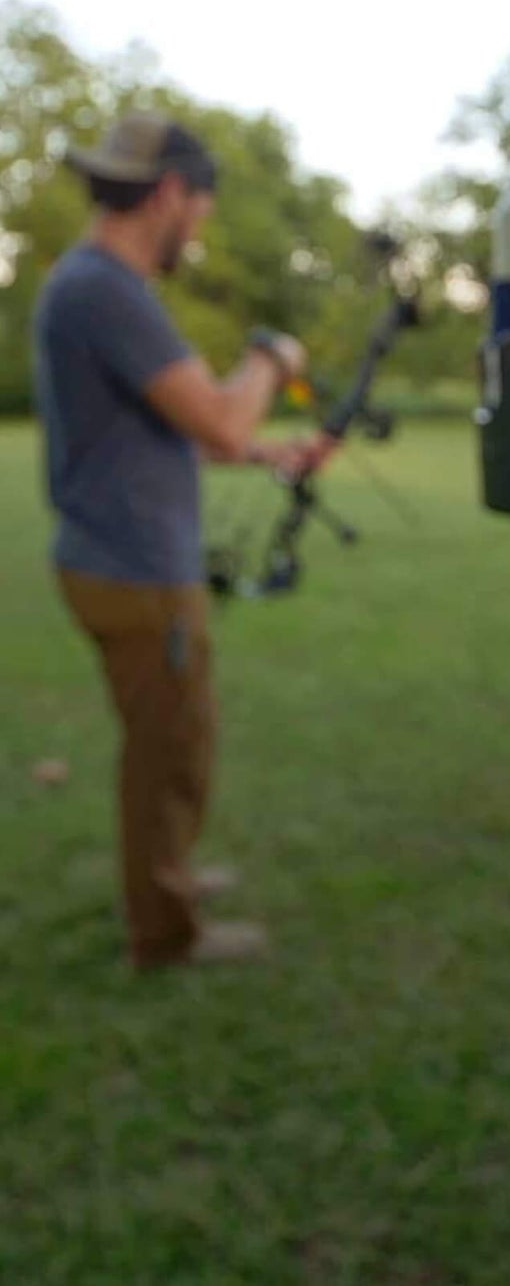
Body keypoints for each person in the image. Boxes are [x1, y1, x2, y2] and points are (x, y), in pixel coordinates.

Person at [31, 111, 332, 969]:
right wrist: (272, 357)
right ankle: (164, 931)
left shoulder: (95, 286)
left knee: (179, 739)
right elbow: (224, 420)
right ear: (169, 192)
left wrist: (271, 450)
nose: (199, 226)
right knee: (165, 752)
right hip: (134, 569)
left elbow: (182, 430)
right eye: (200, 207)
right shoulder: (106, 290)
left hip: (121, 561)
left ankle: (170, 875)